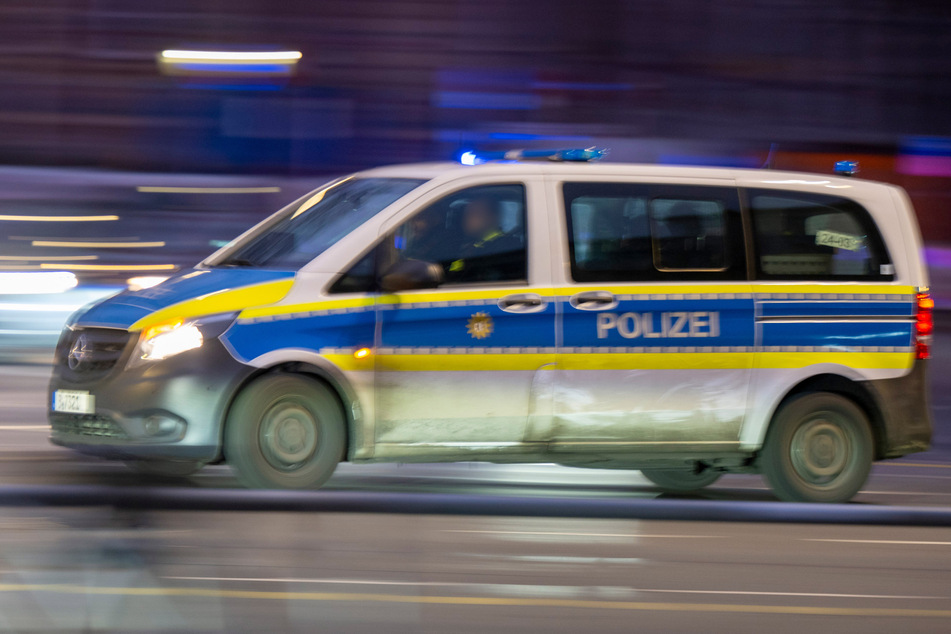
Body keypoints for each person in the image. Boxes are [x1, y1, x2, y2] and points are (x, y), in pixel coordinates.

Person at [449, 196, 521, 282]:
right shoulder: (474, 244)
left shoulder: (503, 248)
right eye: (466, 215)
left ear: (492, 218)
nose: (467, 220)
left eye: (474, 214)